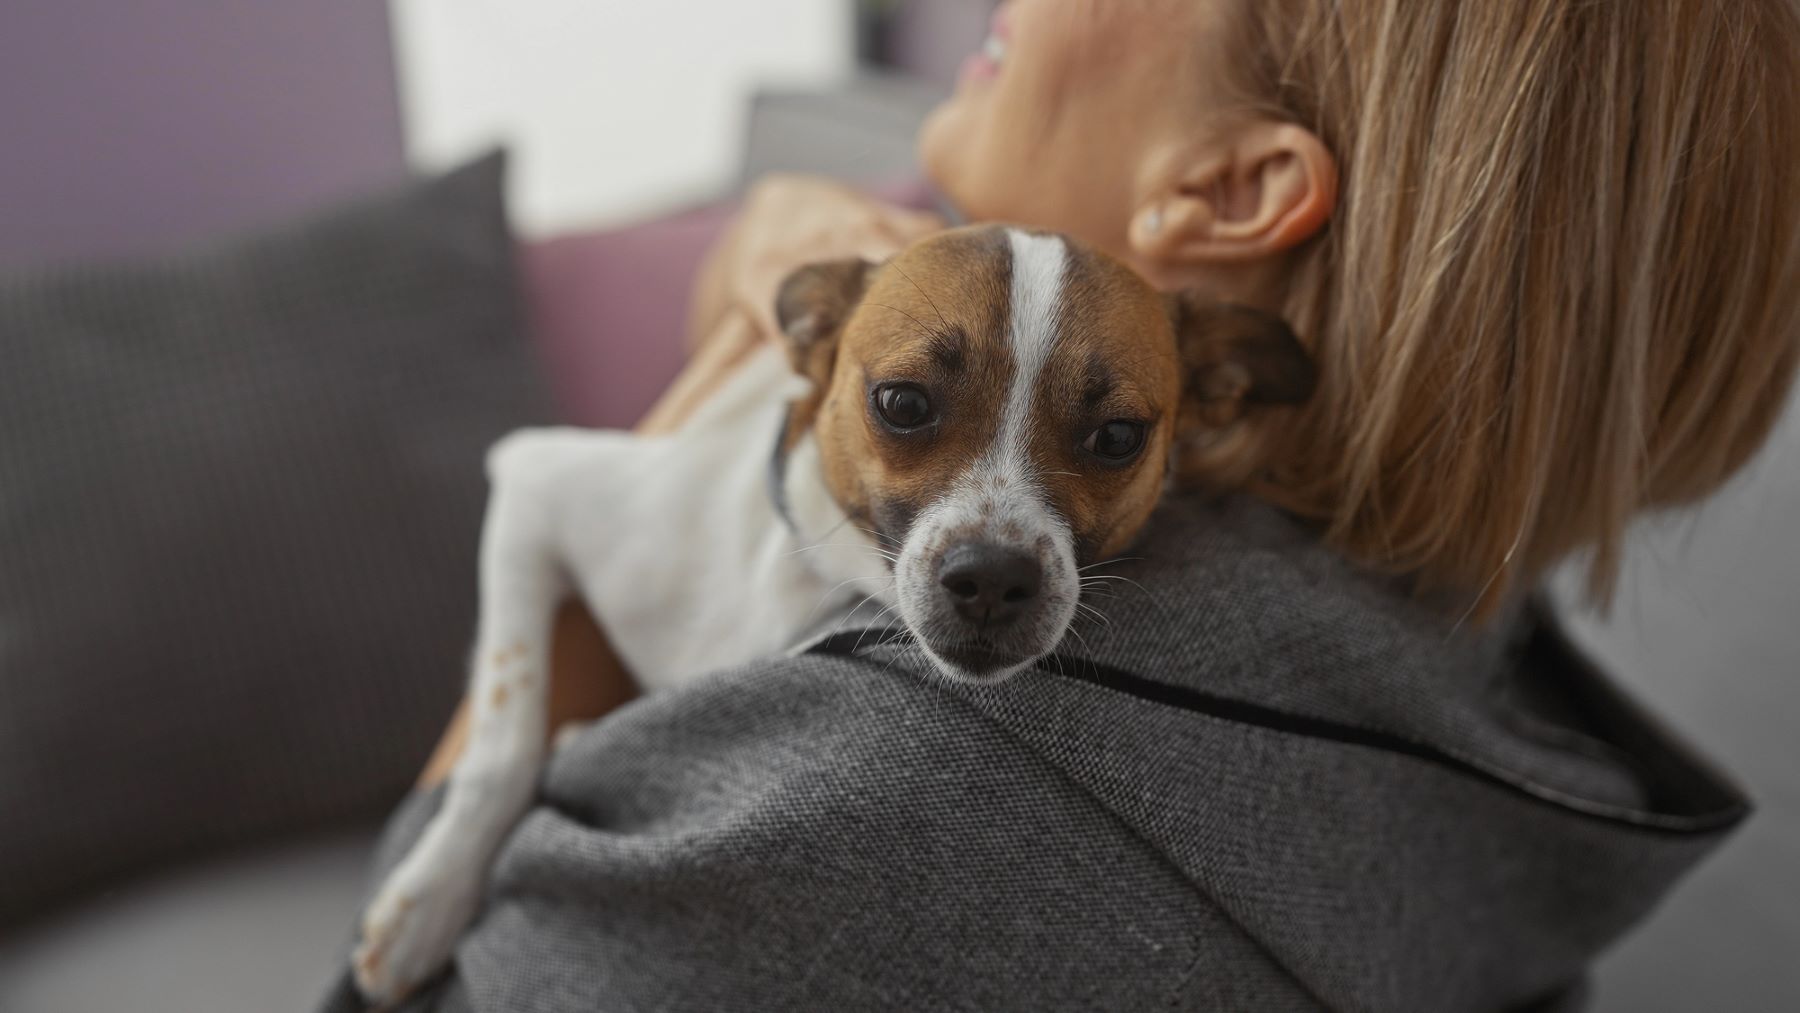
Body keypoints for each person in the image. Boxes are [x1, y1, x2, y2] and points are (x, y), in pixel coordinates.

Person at [323, 1, 1800, 1009]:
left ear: (1231, 193)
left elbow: (391, 973)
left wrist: (691, 408)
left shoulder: (924, 765)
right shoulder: (1458, 659)